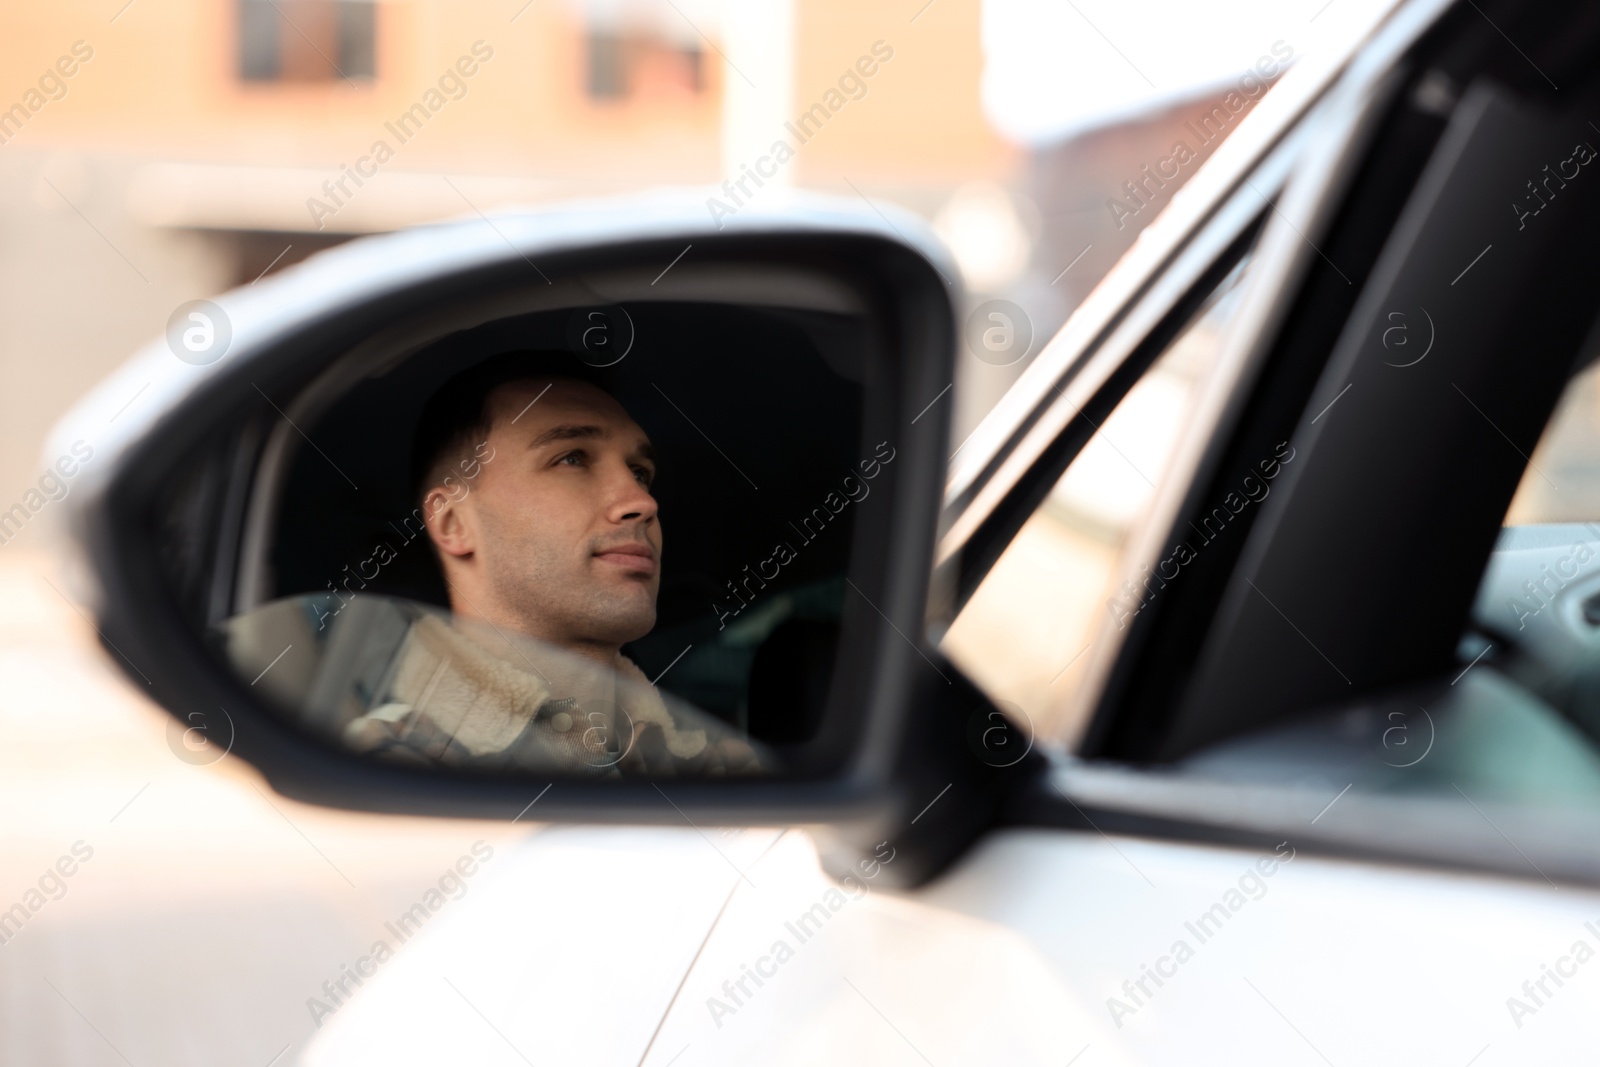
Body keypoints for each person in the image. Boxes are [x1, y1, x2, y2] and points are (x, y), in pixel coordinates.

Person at [340, 352, 764, 775]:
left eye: (639, 472)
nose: (643, 502)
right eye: (572, 458)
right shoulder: (382, 769)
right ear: (453, 522)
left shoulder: (714, 773)